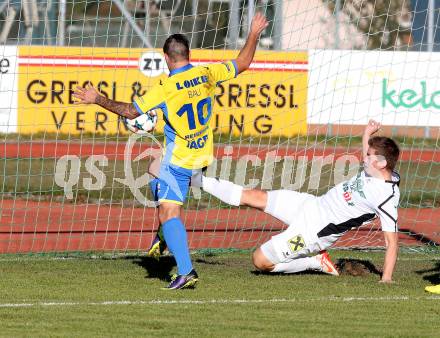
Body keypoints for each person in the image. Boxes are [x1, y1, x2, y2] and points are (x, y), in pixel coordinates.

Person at [73, 13, 269, 289]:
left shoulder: (165, 88)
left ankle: (186, 270)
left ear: (166, 58)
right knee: (153, 169)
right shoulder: (206, 74)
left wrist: (97, 99)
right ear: (188, 54)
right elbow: (244, 62)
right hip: (201, 154)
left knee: (170, 212)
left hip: (179, 160)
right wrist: (253, 33)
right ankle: (164, 235)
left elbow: (130, 111)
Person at [192, 120, 401, 282]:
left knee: (260, 260)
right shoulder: (375, 169)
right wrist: (367, 133)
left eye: (370, 156)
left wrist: (386, 278)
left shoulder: (386, 197)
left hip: (313, 233)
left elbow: (392, 242)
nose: (364, 158)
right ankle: (196, 179)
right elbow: (369, 153)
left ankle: (315, 261)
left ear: (381, 163)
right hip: (310, 204)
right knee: (253, 196)